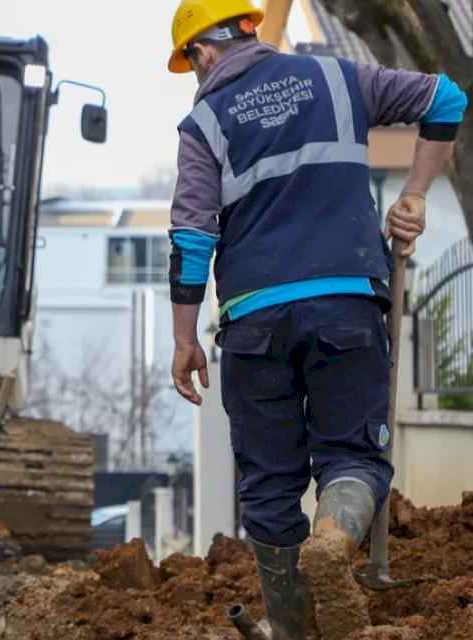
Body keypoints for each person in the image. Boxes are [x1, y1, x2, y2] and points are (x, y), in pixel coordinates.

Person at [164, 1, 467, 638]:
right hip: (345, 304)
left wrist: (184, 338)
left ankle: (293, 628)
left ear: (205, 52)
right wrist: (413, 194)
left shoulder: (203, 124)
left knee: (270, 488)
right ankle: (334, 539)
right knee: (352, 458)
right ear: (249, 28)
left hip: (253, 322)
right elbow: (445, 98)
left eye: (190, 62)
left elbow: (192, 238)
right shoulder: (338, 78)